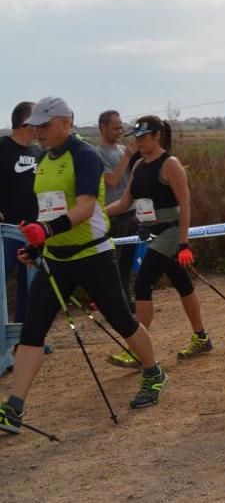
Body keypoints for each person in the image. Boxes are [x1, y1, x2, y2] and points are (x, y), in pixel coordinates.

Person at [0, 98, 167, 435]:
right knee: (33, 330)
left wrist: (46, 230)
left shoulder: (84, 155)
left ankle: (154, 373)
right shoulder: (44, 160)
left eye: (44, 125)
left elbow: (86, 207)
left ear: (64, 122)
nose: (38, 132)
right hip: (57, 259)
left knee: (122, 319)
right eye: (36, 126)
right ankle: (13, 408)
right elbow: (47, 210)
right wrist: (37, 246)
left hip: (93, 255)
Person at [104, 115, 212, 367]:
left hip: (171, 233)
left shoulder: (170, 164)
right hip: (153, 232)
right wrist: (96, 213)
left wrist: (183, 242)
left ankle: (139, 352)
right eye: (136, 137)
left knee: (142, 285)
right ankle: (201, 337)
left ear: (156, 136)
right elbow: (123, 203)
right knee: (182, 283)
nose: (138, 141)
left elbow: (185, 204)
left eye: (143, 137)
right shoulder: (140, 165)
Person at [0, 102, 42, 324]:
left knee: (32, 286)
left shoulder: (39, 152)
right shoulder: (2, 147)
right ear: (27, 122)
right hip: (6, 233)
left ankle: (27, 339)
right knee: (1, 284)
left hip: (34, 231)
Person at [95, 109, 139, 309]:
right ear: (103, 127)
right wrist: (127, 158)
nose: (119, 131)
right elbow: (111, 180)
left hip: (133, 213)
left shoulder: (123, 149)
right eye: (115, 128)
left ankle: (127, 298)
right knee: (113, 261)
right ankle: (115, 302)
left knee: (127, 262)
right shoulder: (98, 154)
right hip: (113, 214)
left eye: (121, 127)